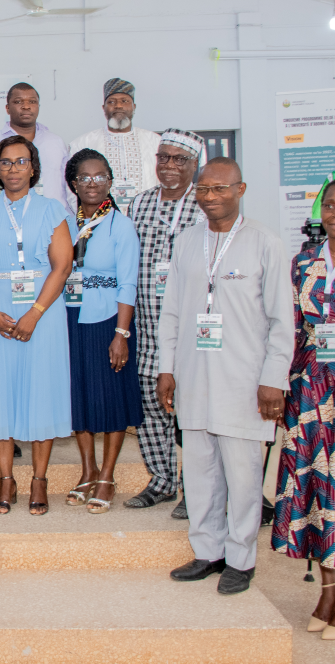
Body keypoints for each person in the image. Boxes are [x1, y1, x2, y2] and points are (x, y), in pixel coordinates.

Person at [161, 157, 293, 595]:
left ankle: (240, 558)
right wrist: (167, 369)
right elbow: (172, 312)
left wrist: (274, 378)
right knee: (199, 470)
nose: (210, 197)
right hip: (194, 376)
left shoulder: (265, 243)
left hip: (245, 380)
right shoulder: (185, 242)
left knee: (242, 474)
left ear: (240, 189)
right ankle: (207, 551)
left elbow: (281, 320)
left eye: (220, 189)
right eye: (203, 189)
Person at [0, 136, 72, 516]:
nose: (13, 168)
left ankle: (39, 480)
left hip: (41, 315)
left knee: (39, 394)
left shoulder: (52, 210)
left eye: (21, 161)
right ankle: (5, 479)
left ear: (33, 167)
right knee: (0, 396)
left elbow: (62, 266)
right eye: (6, 162)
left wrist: (35, 312)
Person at [124, 129, 205, 514]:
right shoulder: (138, 204)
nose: (169, 166)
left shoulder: (205, 205)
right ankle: (162, 481)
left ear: (194, 165)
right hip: (145, 329)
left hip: (188, 332)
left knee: (190, 415)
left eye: (179, 160)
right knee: (151, 412)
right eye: (163, 158)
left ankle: (196, 489)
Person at [62, 150, 141, 514]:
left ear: (109, 180)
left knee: (110, 400)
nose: (92, 184)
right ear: (74, 184)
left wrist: (121, 334)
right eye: (85, 178)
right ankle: (88, 469)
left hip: (109, 321)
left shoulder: (120, 225)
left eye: (100, 177)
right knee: (78, 398)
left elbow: (128, 284)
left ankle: (107, 476)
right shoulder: (66, 221)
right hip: (70, 319)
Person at [273, 178, 335, 637]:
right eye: (330, 205)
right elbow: (288, 331)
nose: (334, 212)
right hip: (312, 387)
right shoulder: (303, 262)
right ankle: (329, 590)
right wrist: (279, 386)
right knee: (316, 487)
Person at [69, 79, 162, 213]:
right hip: (100, 220)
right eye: (111, 102)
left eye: (124, 101)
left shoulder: (155, 142)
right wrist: (88, 217)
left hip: (146, 219)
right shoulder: (83, 143)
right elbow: (71, 188)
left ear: (134, 107)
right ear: (103, 108)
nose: (118, 106)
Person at [0, 83, 70, 213]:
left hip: (54, 218)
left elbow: (68, 186)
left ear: (38, 106)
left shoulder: (55, 142)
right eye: (18, 101)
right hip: (9, 217)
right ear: (7, 108)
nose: (26, 106)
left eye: (32, 102)